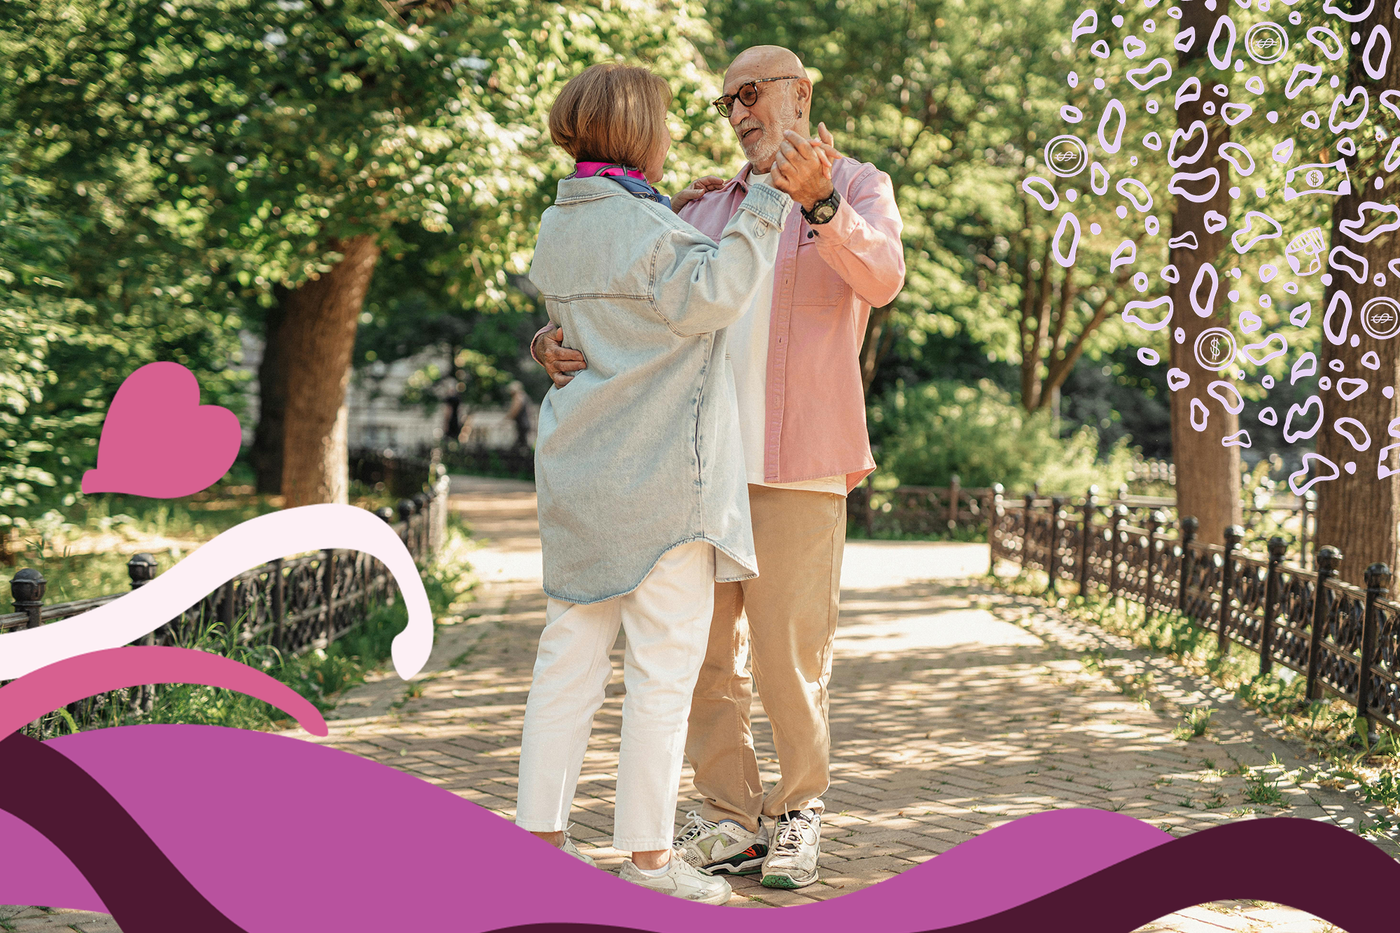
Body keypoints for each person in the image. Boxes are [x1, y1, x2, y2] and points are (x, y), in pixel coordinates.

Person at [533, 46, 906, 891]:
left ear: (799, 95)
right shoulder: (700, 205)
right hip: (696, 460)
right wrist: (552, 340)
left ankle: (798, 809)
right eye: (725, 101)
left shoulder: (860, 186)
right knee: (703, 654)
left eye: (753, 94)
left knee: (788, 654)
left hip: (803, 457)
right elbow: (632, 299)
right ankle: (728, 817)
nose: (738, 113)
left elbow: (882, 279)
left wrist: (820, 208)